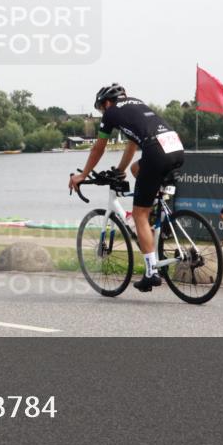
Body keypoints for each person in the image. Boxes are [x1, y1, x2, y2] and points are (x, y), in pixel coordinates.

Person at [68, 83, 185, 292]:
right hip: (175, 147)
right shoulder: (136, 104)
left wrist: (83, 175)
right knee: (134, 169)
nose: (102, 112)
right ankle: (159, 210)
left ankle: (151, 273)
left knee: (139, 213)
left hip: (156, 151)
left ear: (105, 103)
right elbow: (132, 145)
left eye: (101, 108)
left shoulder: (111, 112)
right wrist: (120, 170)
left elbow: (99, 147)